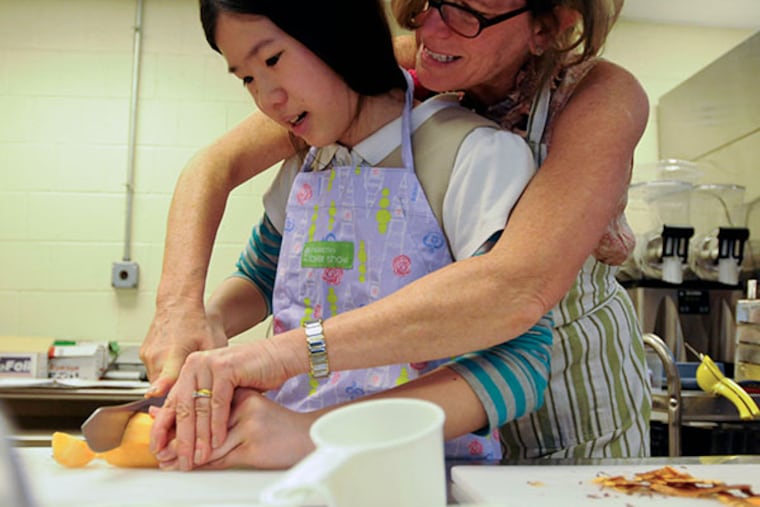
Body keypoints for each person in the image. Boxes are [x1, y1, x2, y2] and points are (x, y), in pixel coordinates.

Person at [145, 0, 651, 469]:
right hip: (375, 440)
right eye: (426, 3)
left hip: (567, 399)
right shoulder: (326, 132)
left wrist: (286, 369)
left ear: (547, 24)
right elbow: (220, 178)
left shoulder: (572, 112)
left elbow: (514, 302)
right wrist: (188, 313)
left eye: (465, 12)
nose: (426, 29)